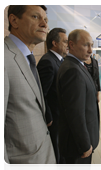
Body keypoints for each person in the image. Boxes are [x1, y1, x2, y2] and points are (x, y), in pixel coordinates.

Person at [4, 5, 57, 170]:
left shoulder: (27, 58)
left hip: (41, 159)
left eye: (46, 20)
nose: (44, 24)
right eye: (36, 17)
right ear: (14, 20)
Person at [56, 29, 100, 170]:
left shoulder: (77, 66)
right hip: (77, 147)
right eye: (86, 45)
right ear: (72, 45)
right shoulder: (72, 70)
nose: (90, 50)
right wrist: (85, 145)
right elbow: (75, 114)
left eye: (91, 45)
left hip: (78, 143)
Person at [37, 27, 68, 169]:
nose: (67, 45)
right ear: (55, 43)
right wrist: (48, 117)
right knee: (55, 149)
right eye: (65, 42)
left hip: (60, 116)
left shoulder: (59, 61)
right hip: (54, 118)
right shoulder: (48, 62)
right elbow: (40, 93)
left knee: (60, 148)